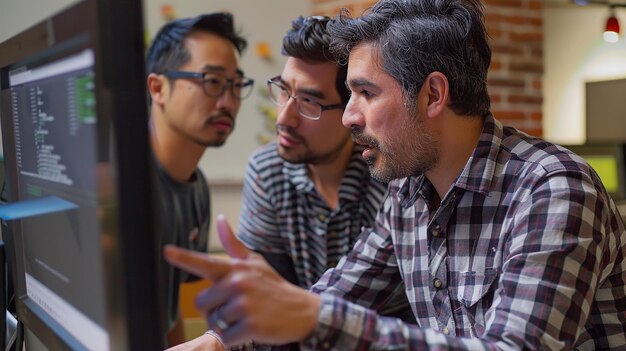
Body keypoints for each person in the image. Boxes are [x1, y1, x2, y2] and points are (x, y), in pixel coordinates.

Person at [164, 0, 626, 350]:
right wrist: (218, 343)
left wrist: (310, 317)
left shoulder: (553, 190)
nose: (348, 117)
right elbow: (339, 293)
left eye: (365, 93)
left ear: (432, 95)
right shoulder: (408, 194)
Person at [166, 15, 411, 351]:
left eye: (309, 101)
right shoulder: (269, 172)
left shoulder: (394, 179)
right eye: (283, 90)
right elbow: (262, 297)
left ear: (353, 109)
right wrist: (214, 341)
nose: (284, 117)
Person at [145, 13, 253, 346]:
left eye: (236, 85)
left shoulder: (196, 187)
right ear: (158, 88)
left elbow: (169, 313)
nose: (227, 102)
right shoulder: (118, 187)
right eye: (211, 81)